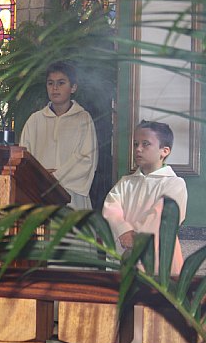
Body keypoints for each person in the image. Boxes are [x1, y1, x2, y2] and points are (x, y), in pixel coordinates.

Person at [102, 120, 187, 275]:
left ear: (164, 151)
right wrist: (123, 230)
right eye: (135, 144)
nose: (138, 149)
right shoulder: (125, 182)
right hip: (123, 255)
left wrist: (135, 238)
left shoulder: (174, 184)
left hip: (158, 259)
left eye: (146, 144)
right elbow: (111, 208)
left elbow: (162, 216)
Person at [19, 62, 98, 209]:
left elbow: (87, 159)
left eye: (61, 83)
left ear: (73, 87)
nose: (55, 88)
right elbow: (24, 158)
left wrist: (55, 177)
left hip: (72, 196)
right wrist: (42, 178)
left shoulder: (83, 119)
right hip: (40, 193)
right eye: (50, 83)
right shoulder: (35, 120)